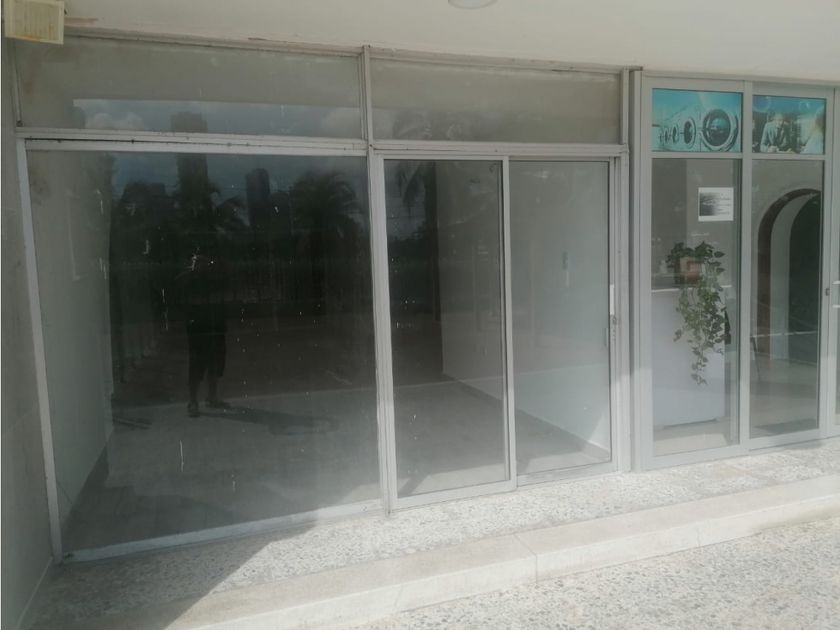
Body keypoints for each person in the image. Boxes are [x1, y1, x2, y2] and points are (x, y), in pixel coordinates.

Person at [179, 246, 229, 417]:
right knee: (197, 365)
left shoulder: (215, 278)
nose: (203, 265)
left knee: (215, 363)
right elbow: (180, 287)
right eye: (198, 261)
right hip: (198, 329)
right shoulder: (188, 280)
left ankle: (211, 397)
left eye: (206, 262)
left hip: (215, 326)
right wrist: (192, 271)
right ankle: (193, 401)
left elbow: (226, 285)